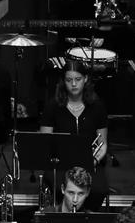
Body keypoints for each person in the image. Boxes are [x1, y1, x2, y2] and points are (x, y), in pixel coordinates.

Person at [41, 57, 111, 205]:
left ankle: (88, 217)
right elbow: (45, 142)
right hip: (60, 163)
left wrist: (92, 161)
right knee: (60, 188)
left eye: (78, 79)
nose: (73, 84)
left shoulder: (97, 106)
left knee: (99, 190)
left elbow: (102, 144)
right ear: (63, 81)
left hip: (90, 163)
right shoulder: (52, 106)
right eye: (69, 80)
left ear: (85, 79)